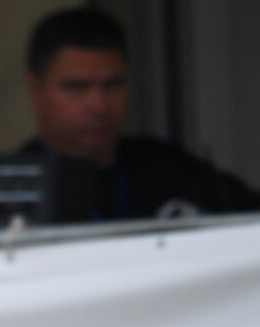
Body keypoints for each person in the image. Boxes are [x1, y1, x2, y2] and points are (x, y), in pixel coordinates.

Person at [22, 7, 259, 220]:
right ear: (35, 89)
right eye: (77, 87)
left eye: (113, 85)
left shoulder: (168, 166)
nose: (99, 105)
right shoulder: (16, 186)